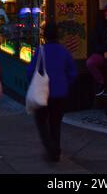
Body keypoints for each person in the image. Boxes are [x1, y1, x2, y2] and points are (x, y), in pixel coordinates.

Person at [27, 21, 77, 162]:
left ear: (44, 35)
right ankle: (56, 148)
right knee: (56, 122)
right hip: (60, 93)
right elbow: (73, 73)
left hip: (43, 93)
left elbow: (30, 71)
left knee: (41, 121)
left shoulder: (40, 51)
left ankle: (51, 147)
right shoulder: (64, 51)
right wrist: (65, 84)